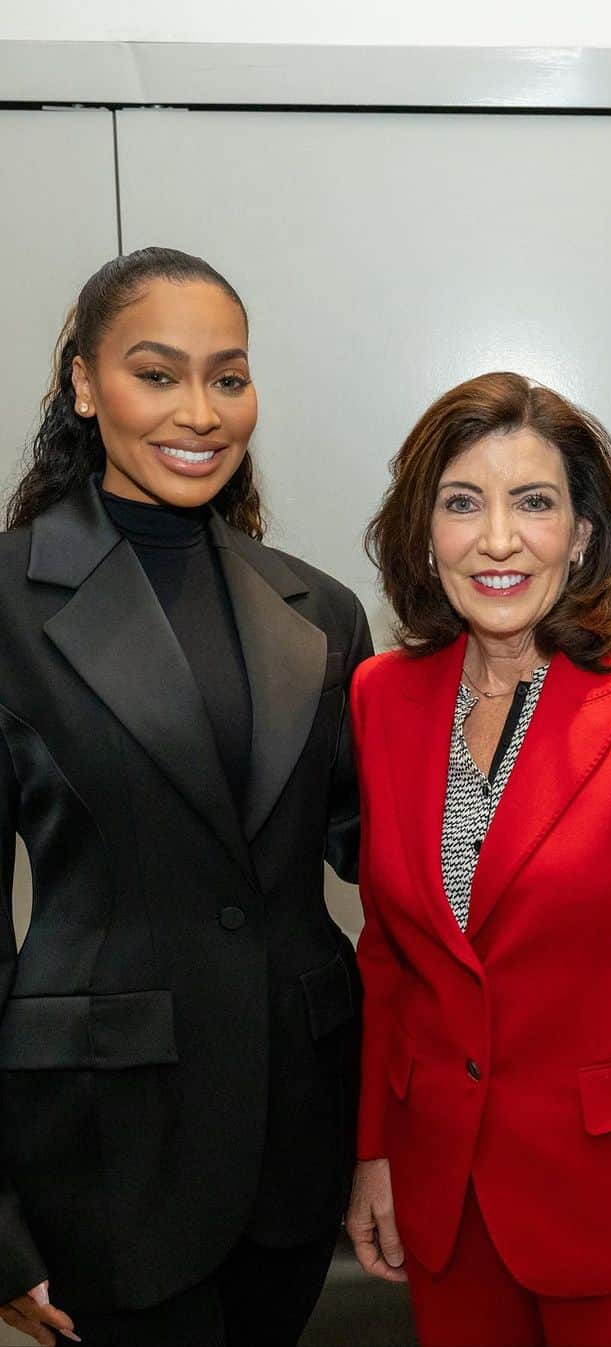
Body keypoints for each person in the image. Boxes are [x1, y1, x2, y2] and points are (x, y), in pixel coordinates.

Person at [345, 372, 611, 1347]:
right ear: (425, 532)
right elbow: (389, 955)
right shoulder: (382, 696)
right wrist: (372, 1150)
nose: (498, 539)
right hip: (445, 1203)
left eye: (533, 502)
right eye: (463, 503)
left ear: (581, 534)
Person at [0, 247, 372, 1347]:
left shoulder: (320, 609)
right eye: (158, 374)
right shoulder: (8, 608)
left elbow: (397, 865)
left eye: (229, 375)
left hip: (298, 1147)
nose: (201, 412)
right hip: (105, 1159)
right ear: (82, 384)